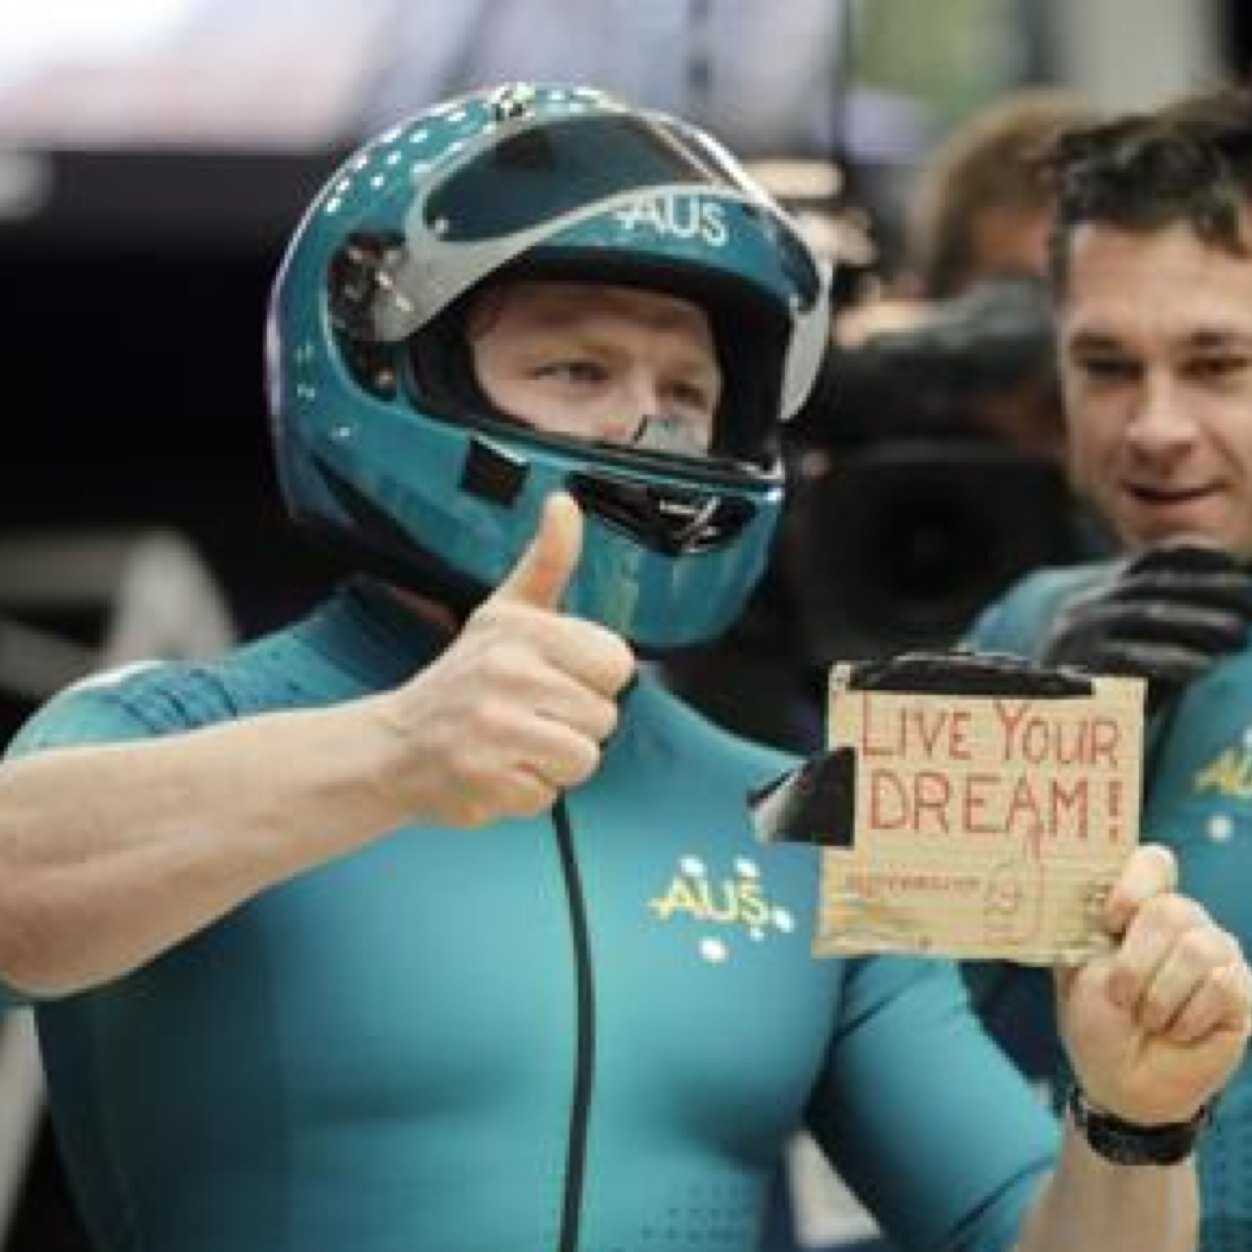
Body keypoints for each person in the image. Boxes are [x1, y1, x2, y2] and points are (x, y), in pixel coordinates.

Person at [0, 81, 1247, 1252]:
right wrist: (388, 752)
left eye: (688, 387)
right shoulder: (172, 726)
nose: (643, 426)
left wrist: (1134, 1120)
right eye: (576, 369)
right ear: (395, 362)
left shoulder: (799, 823)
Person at [964, 81, 1252, 1251]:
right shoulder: (1021, 634)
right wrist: (1040, 762)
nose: (1154, 428)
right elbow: (884, 1050)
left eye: (1218, 363)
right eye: (1107, 365)